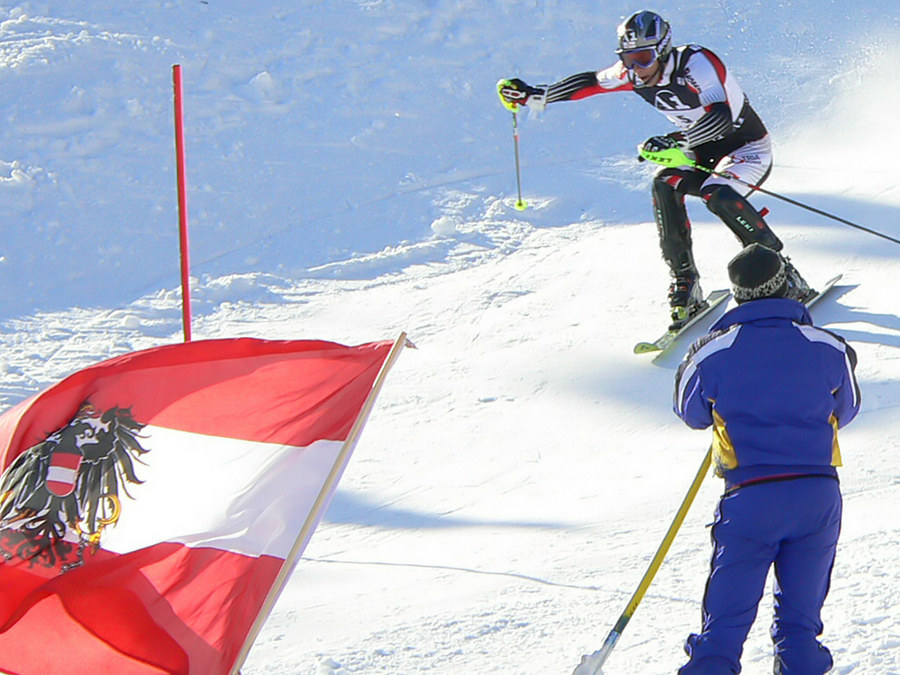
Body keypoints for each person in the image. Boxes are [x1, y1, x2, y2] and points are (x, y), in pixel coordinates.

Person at [498, 10, 814, 329]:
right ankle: (685, 282)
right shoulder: (633, 72)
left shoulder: (696, 64)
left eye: (643, 58)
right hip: (701, 150)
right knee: (666, 183)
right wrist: (535, 95)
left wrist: (677, 142)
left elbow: (722, 118)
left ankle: (782, 273)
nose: (635, 68)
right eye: (627, 58)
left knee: (716, 194)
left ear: (662, 50)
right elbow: (591, 82)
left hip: (746, 146)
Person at [672, 243, 861, 674]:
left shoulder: (712, 350)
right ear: (786, 285)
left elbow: (690, 412)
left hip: (752, 494)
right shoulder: (828, 345)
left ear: (738, 294)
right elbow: (847, 408)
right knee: (800, 624)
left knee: (725, 624)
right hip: (817, 493)